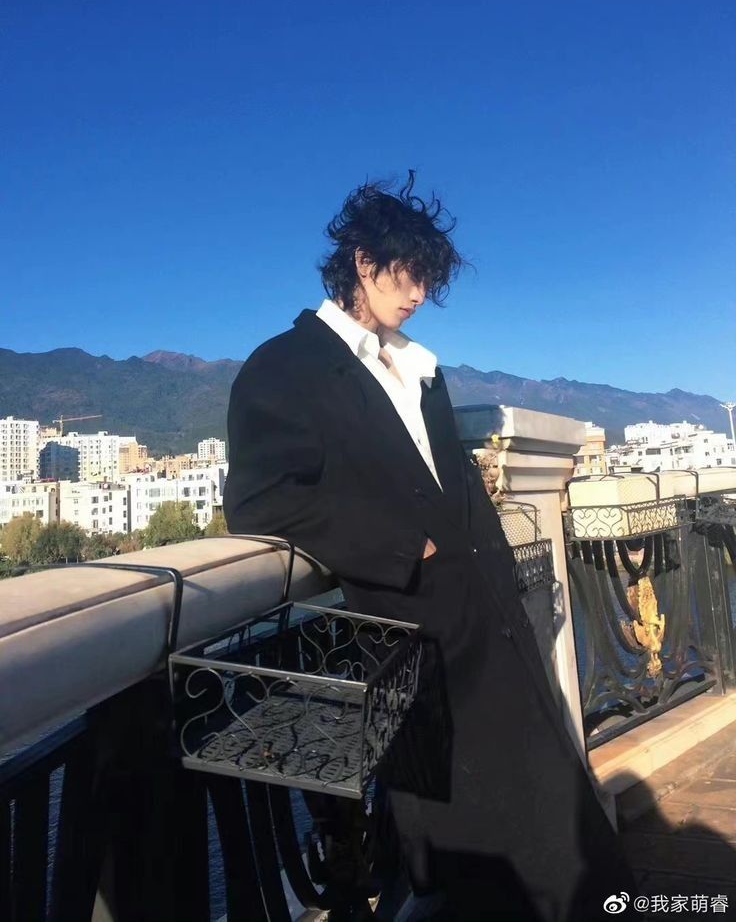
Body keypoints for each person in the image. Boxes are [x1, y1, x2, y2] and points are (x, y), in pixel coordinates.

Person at [223, 174, 636, 921]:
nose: (415, 293)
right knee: (479, 851)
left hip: (493, 627)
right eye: (405, 273)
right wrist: (402, 547)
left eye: (427, 280)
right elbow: (258, 499)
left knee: (562, 834)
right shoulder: (283, 367)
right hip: (416, 637)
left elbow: (460, 488)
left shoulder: (421, 368)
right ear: (360, 260)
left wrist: (500, 572)